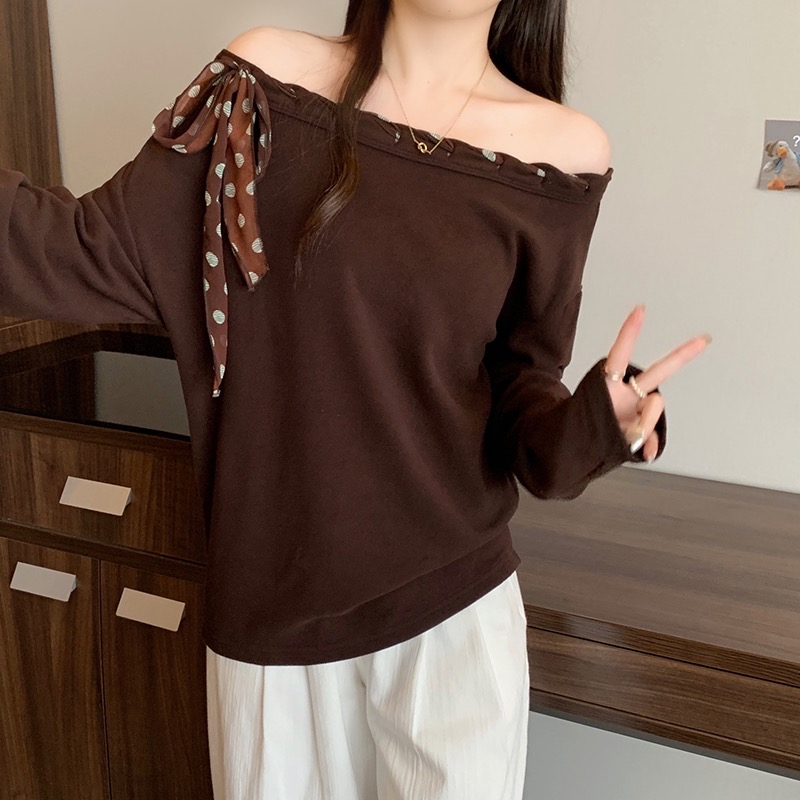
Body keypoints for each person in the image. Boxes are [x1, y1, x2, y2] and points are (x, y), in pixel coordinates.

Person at [0, 0, 710, 797]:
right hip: (270, 626)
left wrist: (597, 427)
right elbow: (77, 251)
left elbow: (522, 391)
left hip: (451, 622)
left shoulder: (563, 151)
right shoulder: (261, 80)